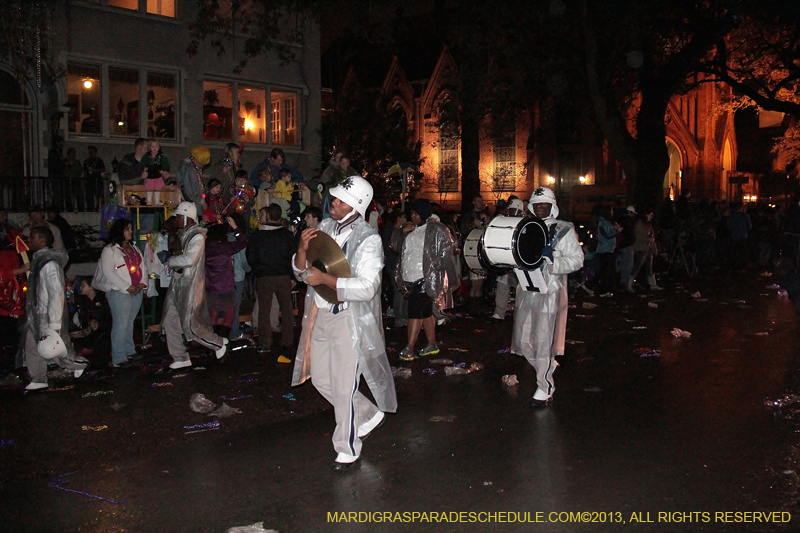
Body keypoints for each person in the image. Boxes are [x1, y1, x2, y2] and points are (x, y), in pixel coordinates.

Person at [291, 176, 397, 471]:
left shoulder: (368, 239)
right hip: (319, 315)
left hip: (348, 319)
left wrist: (325, 279)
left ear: (356, 205)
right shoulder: (323, 228)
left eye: (339, 199)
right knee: (321, 379)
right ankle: (368, 414)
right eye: (334, 198)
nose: (332, 203)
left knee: (343, 384)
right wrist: (301, 248)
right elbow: (301, 271)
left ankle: (348, 446)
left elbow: (367, 288)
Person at [511, 187, 583, 407]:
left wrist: (554, 261)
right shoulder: (526, 227)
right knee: (522, 341)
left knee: (543, 341)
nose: (541, 208)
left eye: (545, 205)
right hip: (526, 289)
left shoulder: (564, 229)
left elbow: (577, 260)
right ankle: (546, 366)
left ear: (553, 206)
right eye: (537, 204)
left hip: (550, 292)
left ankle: (545, 386)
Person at [161, 202, 229, 369]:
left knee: (191, 325)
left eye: (179, 216)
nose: (176, 219)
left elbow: (189, 260)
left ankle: (219, 344)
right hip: (178, 283)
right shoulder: (184, 233)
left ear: (187, 217)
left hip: (189, 285)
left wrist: (169, 261)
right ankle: (180, 356)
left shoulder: (197, 236)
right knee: (169, 319)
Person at [20, 227, 88, 391]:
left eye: (32, 237)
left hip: (47, 316)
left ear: (42, 240)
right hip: (36, 314)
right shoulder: (38, 261)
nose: (29, 240)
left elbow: (57, 294)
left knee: (56, 349)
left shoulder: (49, 264)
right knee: (33, 346)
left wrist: (55, 324)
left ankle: (78, 365)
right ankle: (39, 378)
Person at [395, 199, 457, 361]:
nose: (413, 217)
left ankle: (409, 347)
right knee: (425, 312)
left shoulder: (437, 229)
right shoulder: (409, 229)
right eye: (412, 214)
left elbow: (447, 254)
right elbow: (394, 247)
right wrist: (401, 231)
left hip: (425, 279)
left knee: (415, 313)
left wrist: (452, 278)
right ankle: (432, 343)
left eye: (416, 214)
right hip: (409, 278)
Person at [94, 219, 149, 367]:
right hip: (119, 292)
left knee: (129, 322)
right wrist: (127, 287)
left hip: (136, 289)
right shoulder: (110, 250)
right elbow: (109, 272)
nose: (131, 232)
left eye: (131, 229)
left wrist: (143, 283)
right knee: (121, 323)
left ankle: (129, 350)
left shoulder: (134, 248)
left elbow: (142, 265)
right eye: (128, 229)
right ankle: (118, 357)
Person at [247, 204, 297, 354]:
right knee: (287, 309)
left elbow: (251, 257)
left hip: (264, 277)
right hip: (283, 275)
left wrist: (258, 270)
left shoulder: (257, 236)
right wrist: (292, 275)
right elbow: (293, 256)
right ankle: (288, 340)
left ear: (268, 216)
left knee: (264, 310)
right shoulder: (287, 235)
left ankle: (264, 342)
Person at [204, 217, 247, 339]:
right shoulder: (225, 247)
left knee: (213, 316)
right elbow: (242, 242)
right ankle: (223, 342)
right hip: (227, 287)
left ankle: (212, 343)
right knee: (229, 317)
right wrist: (235, 228)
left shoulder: (206, 247)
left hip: (211, 287)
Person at [492, 198, 524, 320]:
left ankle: (520, 313)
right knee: (502, 286)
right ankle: (499, 312)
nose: (512, 212)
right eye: (511, 210)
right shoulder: (504, 220)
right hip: (506, 259)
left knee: (520, 288)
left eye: (514, 210)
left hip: (518, 260)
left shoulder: (524, 222)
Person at [626, 207, 663, 292]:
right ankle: (629, 284)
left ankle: (652, 284)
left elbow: (652, 237)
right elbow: (639, 236)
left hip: (648, 248)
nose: (651, 217)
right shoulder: (640, 224)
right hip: (641, 248)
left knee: (649, 266)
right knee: (638, 265)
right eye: (650, 215)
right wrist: (648, 239)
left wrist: (654, 248)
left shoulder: (648, 224)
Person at [589, 204, 620, 297]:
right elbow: (608, 235)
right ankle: (596, 288)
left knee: (606, 271)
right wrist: (617, 231)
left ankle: (601, 289)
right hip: (605, 250)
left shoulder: (605, 222)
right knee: (604, 271)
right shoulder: (604, 222)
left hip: (607, 249)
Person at [177, 145, 211, 216]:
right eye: (201, 162)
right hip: (191, 203)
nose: (202, 164)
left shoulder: (194, 167)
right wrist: (201, 201)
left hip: (194, 201)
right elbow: (190, 189)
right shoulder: (189, 169)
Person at [83, 146, 106, 211]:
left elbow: (103, 169)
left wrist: (95, 170)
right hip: (89, 181)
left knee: (98, 195)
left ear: (95, 152)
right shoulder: (86, 161)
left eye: (92, 151)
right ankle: (90, 208)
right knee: (89, 195)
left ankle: (98, 208)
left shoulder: (99, 161)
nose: (91, 153)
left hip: (97, 180)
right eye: (90, 152)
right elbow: (84, 171)